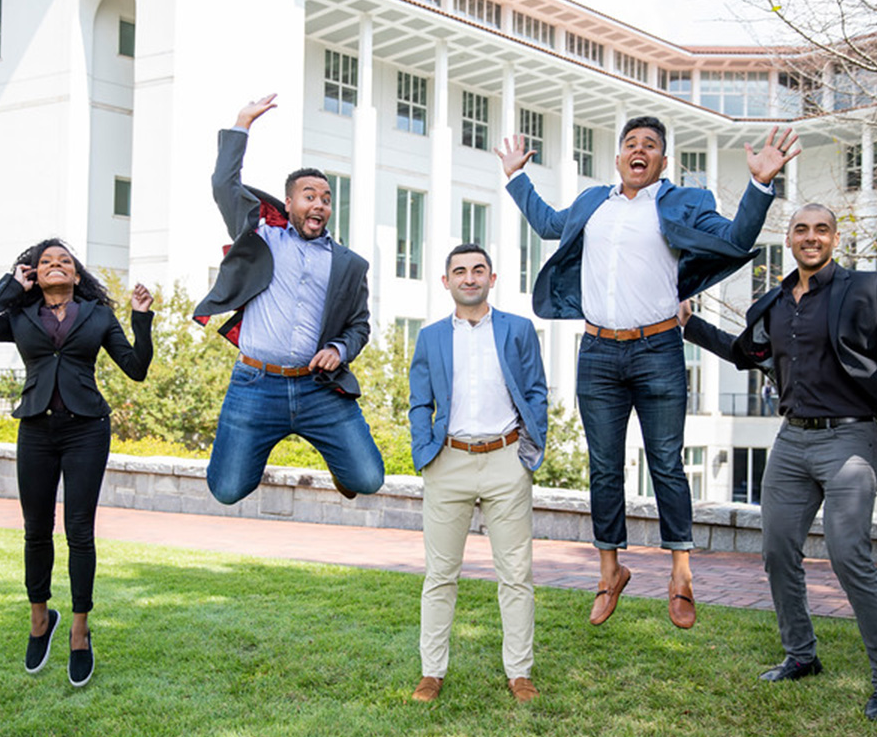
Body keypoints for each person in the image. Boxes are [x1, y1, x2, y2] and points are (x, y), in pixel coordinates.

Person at [498, 117, 799, 629]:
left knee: (666, 462)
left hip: (658, 348)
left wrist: (760, 184)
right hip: (597, 351)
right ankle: (609, 571)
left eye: (651, 146)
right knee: (605, 467)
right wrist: (515, 179)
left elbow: (734, 237)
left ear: (662, 161)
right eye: (631, 144)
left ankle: (681, 576)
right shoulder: (594, 202)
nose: (640, 151)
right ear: (618, 158)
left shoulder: (684, 201)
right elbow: (550, 224)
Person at [681, 204, 877, 720]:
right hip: (791, 441)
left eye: (822, 229)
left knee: (848, 554)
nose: (811, 238)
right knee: (776, 551)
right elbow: (747, 354)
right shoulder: (774, 301)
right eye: (801, 230)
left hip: (849, 440)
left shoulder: (868, 287)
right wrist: (690, 325)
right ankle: (801, 655)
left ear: (835, 238)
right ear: (789, 239)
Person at [0, 239, 153, 687]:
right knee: (35, 530)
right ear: (34, 272)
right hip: (36, 429)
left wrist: (141, 319)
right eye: (45, 261)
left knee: (80, 531)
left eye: (63, 261)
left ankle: (80, 631)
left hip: (86, 429)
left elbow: (136, 368)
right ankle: (39, 619)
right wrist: (12, 285)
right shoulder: (19, 316)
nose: (54, 265)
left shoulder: (97, 315)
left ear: (75, 273)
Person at [194, 93, 383, 505]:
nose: (319, 203)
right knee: (226, 490)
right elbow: (224, 185)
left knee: (368, 479)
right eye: (310, 195)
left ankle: (339, 463)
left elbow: (360, 325)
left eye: (327, 198)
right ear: (291, 202)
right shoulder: (261, 238)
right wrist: (242, 122)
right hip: (255, 384)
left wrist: (338, 348)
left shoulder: (349, 264)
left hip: (318, 388)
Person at [408, 244, 548, 703]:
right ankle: (432, 673)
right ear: (445, 281)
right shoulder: (430, 337)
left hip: (507, 460)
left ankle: (520, 673)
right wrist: (424, 452)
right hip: (448, 462)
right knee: (440, 575)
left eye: (478, 270)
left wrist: (530, 451)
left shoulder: (519, 330)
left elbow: (536, 391)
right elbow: (419, 401)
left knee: (515, 573)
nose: (470, 278)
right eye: (460, 271)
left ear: (492, 277)